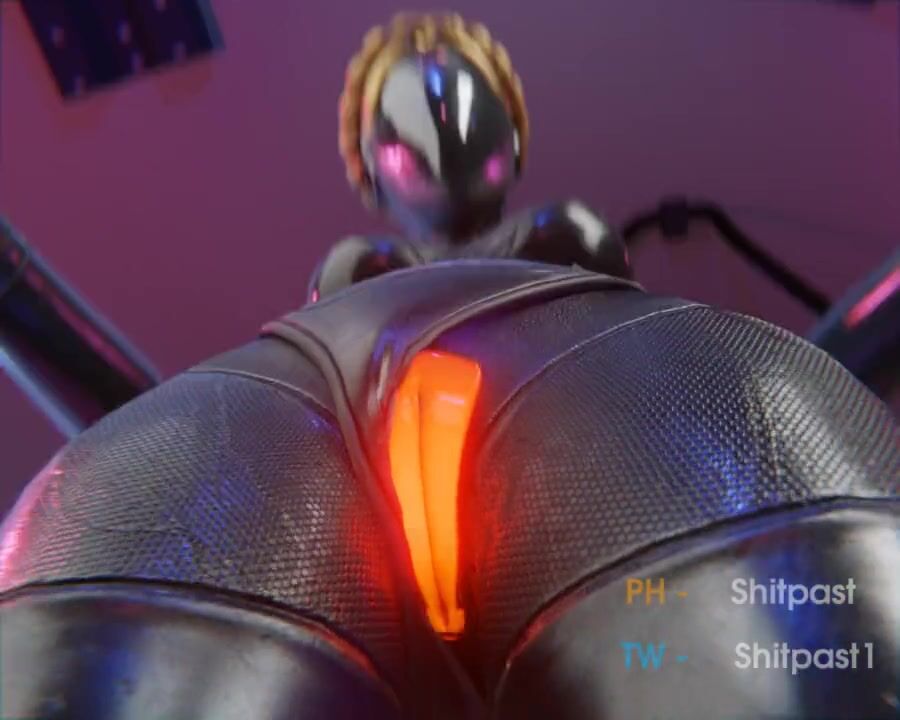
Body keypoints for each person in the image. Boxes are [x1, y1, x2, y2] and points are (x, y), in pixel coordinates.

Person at [0, 13, 897, 720]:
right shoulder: (376, 269)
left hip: (493, 431)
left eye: (467, 93)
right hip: (375, 440)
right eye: (403, 109)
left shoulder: (559, 237)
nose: (440, 110)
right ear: (367, 165)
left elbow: (170, 445)